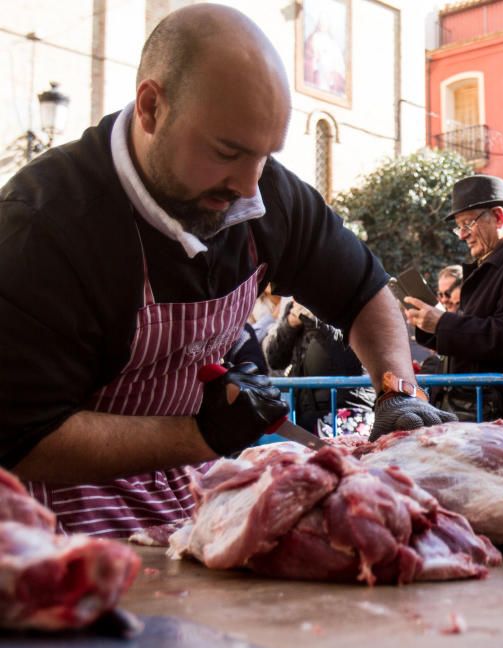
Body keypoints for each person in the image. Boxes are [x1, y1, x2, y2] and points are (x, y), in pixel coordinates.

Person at [0, 4, 452, 537]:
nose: (248, 185)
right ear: (151, 108)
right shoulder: (44, 226)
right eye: (227, 152)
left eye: (265, 155)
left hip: (193, 492)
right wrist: (199, 434)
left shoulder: (267, 193)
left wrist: (395, 391)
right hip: (62, 518)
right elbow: (25, 436)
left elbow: (363, 292)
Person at [405, 175, 503, 430]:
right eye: (458, 226)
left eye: (467, 224)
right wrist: (430, 323)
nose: (462, 235)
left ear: (498, 216)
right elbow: (471, 332)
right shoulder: (492, 265)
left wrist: (442, 324)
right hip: (479, 412)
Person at [263, 299, 374, 437]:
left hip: (348, 414)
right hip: (306, 415)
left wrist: (315, 317)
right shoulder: (294, 307)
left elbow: (346, 358)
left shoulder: (352, 301)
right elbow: (275, 361)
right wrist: (290, 324)